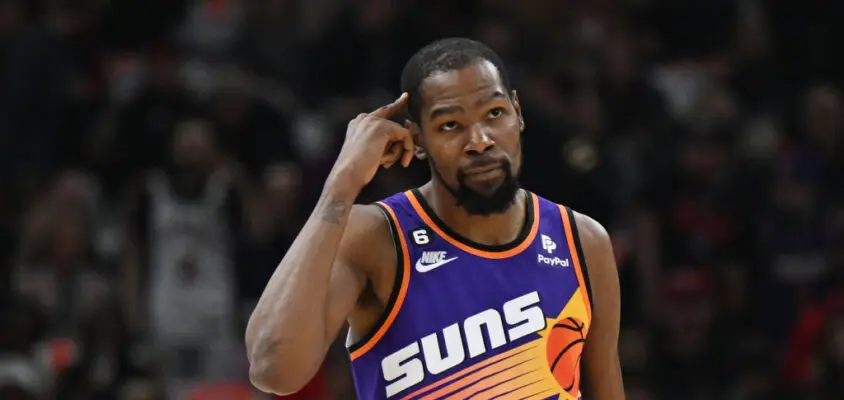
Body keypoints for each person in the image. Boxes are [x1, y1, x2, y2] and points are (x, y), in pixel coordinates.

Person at [245, 38, 624, 399]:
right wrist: (340, 186)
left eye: (495, 114)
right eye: (450, 125)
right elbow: (273, 369)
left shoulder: (582, 241)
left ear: (518, 113)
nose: (480, 140)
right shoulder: (377, 237)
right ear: (418, 139)